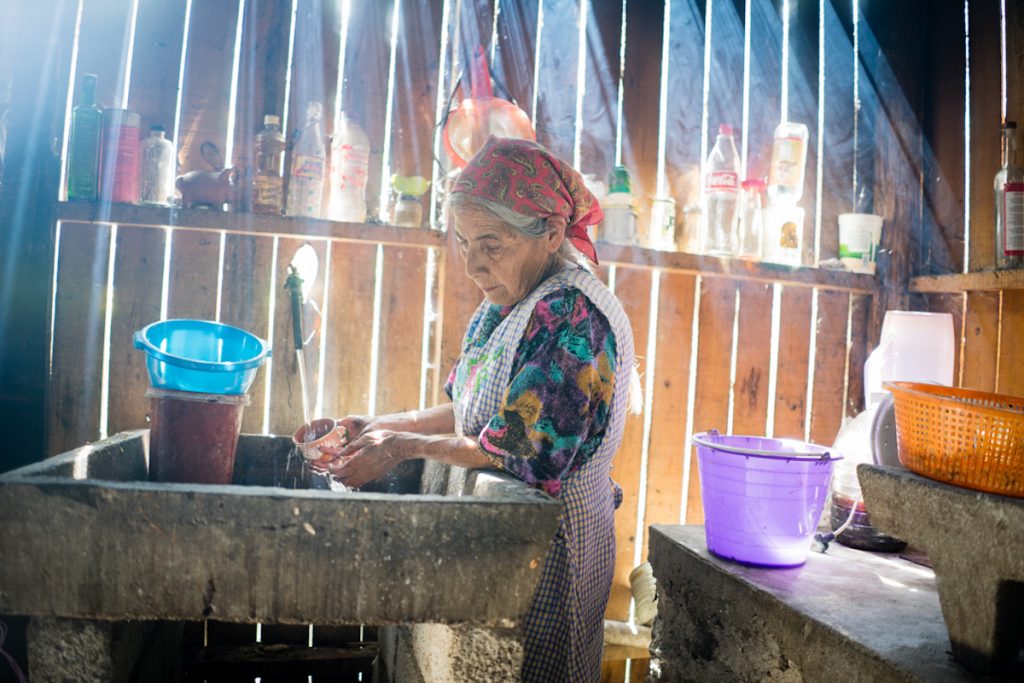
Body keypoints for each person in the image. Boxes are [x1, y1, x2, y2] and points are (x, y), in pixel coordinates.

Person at [327, 136, 639, 681]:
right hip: (501, 545)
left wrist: (400, 447)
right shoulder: (509, 299)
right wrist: (381, 424)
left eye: (490, 244)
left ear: (551, 233)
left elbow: (522, 451)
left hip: (554, 551)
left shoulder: (573, 318)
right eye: (464, 242)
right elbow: (471, 411)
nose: (472, 264)